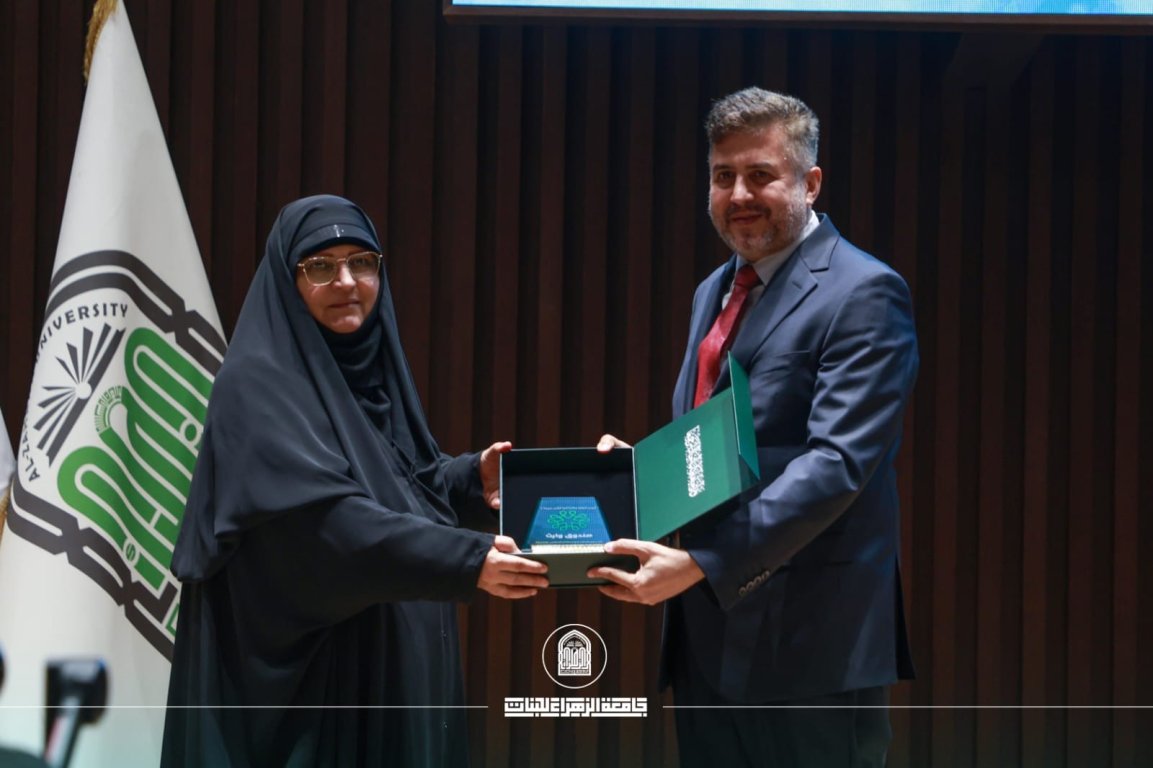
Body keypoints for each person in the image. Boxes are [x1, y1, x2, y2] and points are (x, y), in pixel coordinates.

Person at [591, 88, 919, 766]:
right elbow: (720, 442)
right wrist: (641, 470)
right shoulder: (713, 290)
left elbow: (837, 464)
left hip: (810, 641)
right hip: (710, 635)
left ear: (810, 182)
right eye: (723, 176)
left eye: (760, 174)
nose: (738, 194)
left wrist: (701, 563)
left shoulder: (863, 291)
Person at [161, 194, 548, 767]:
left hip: (390, 681)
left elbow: (399, 482)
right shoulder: (255, 386)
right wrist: (469, 560)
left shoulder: (370, 370)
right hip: (314, 702)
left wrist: (471, 479)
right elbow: (328, 525)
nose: (346, 282)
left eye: (362, 262)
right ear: (287, 281)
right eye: (321, 266)